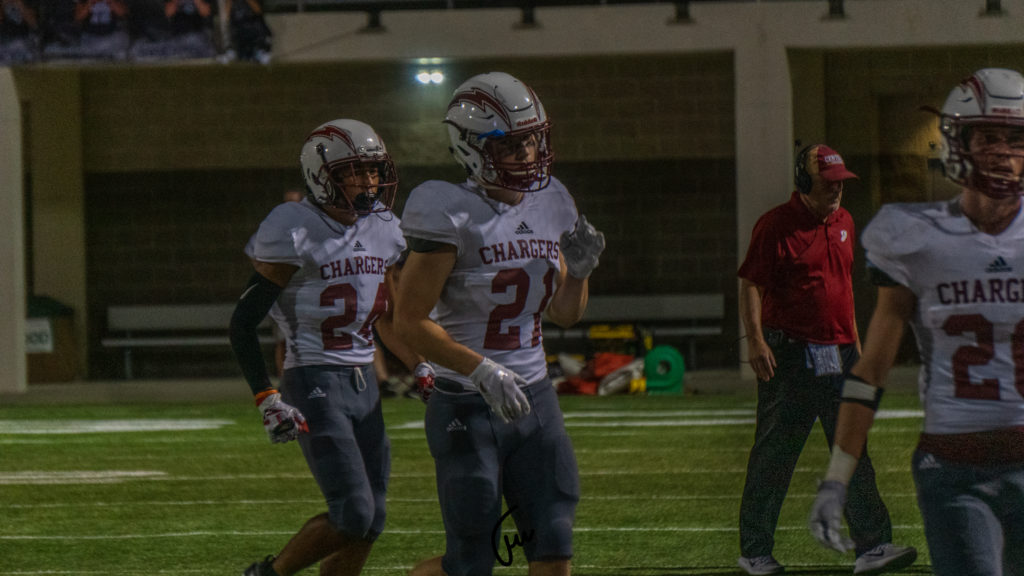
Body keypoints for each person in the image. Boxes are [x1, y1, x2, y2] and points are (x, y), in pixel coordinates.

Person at [809, 67, 1024, 576]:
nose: (1003, 153)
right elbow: (871, 370)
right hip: (954, 466)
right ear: (957, 141)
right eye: (988, 137)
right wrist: (837, 477)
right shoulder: (915, 235)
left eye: (1016, 139)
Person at [393, 71, 606, 576]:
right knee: (470, 562)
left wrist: (578, 274)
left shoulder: (553, 199)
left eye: (531, 140)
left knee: (553, 546)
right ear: (470, 148)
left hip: (536, 399)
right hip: (467, 404)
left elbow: (564, 314)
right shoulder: (447, 210)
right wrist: (482, 370)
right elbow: (409, 321)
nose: (527, 153)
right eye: (510, 144)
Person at [229, 118, 410, 576]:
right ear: (322, 176)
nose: (369, 181)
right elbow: (243, 323)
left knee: (372, 518)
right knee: (353, 512)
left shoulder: (384, 227)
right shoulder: (294, 225)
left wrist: (422, 365)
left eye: (373, 170)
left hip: (364, 381)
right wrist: (265, 395)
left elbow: (389, 317)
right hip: (314, 377)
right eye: (355, 171)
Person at [736, 143, 917, 575]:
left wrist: (855, 344)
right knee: (775, 457)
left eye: (840, 183)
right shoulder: (775, 225)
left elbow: (842, 287)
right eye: (828, 183)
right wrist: (756, 341)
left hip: (839, 353)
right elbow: (750, 284)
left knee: (852, 449)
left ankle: (872, 547)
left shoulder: (845, 221)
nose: (837, 190)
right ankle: (755, 551)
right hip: (791, 355)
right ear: (804, 183)